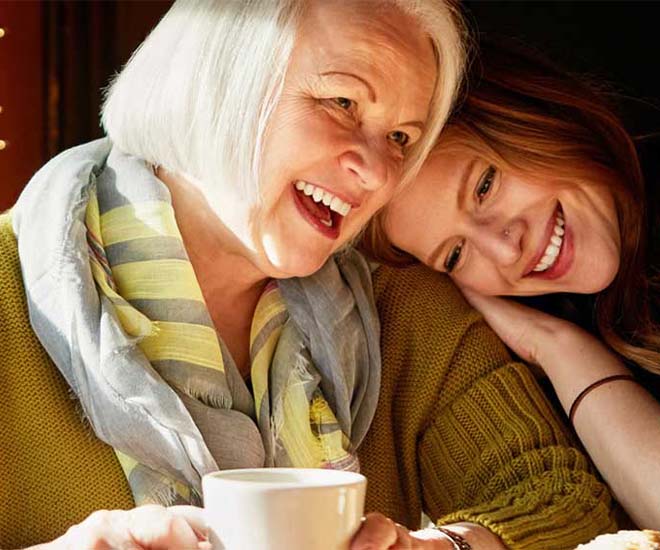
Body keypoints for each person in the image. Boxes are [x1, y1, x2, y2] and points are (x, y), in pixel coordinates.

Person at [0, 3, 615, 549]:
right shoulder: (8, 283)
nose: (379, 172)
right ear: (218, 77)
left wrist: (452, 546)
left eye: (401, 136)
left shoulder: (403, 303)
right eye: (343, 102)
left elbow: (559, 498)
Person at [371, 38, 660, 529]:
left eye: (485, 185)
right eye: (455, 254)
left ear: (527, 112)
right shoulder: (569, 336)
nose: (506, 251)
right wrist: (559, 348)